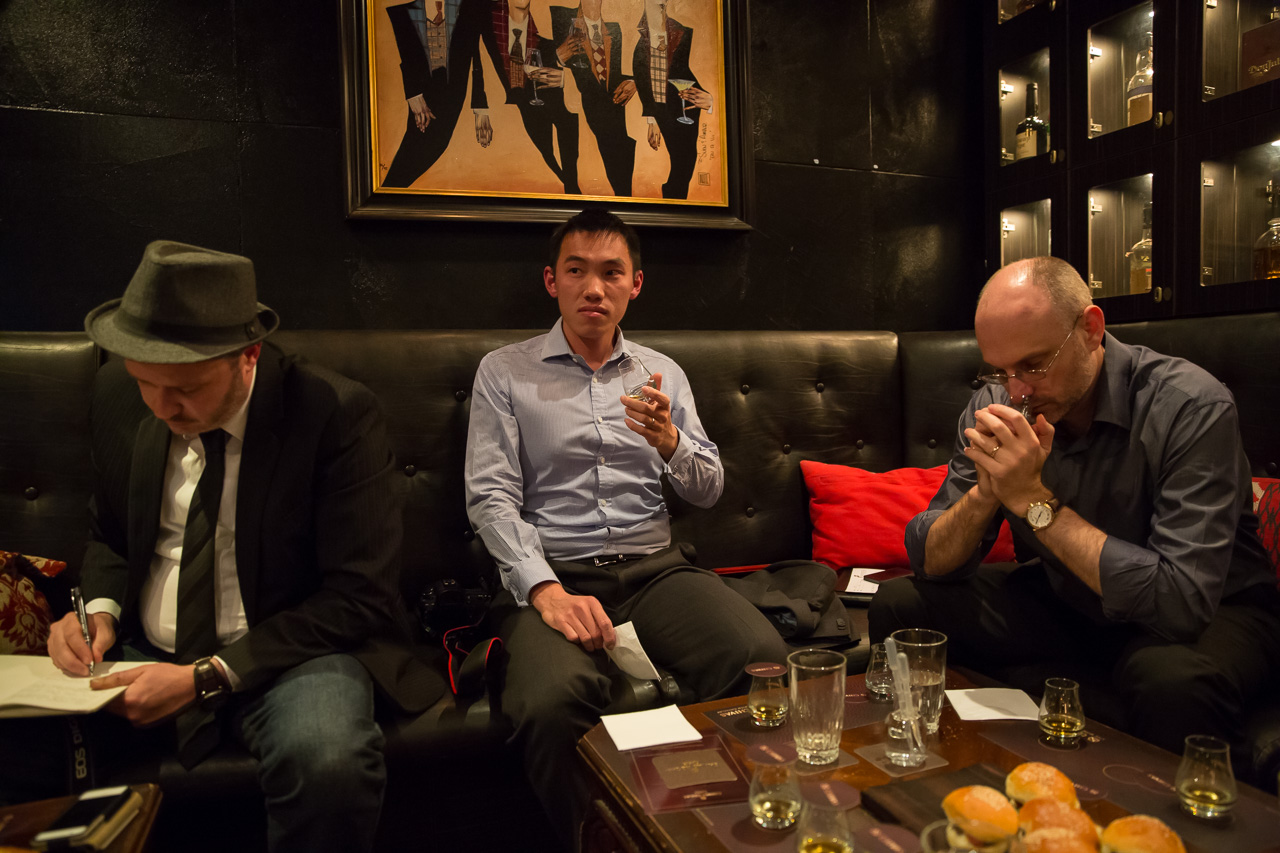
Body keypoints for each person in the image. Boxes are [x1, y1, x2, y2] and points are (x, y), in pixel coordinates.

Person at [43, 240, 442, 853]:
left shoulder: (334, 413)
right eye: (145, 381)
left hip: (290, 652)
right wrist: (97, 612)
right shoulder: (118, 394)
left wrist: (205, 676)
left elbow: (358, 596)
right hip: (143, 647)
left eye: (186, 387)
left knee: (328, 764)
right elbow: (111, 535)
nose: (161, 406)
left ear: (247, 356)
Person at [869, 256, 1280, 762]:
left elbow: (1180, 601)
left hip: (1216, 609)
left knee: (1171, 681)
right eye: (1001, 370)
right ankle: (933, 770)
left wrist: (1033, 500)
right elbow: (931, 561)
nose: (1017, 390)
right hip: (1073, 595)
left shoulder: (1190, 406)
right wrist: (986, 493)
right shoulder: (998, 403)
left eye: (1034, 365)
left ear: (1091, 330)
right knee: (902, 605)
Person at [465, 208, 788, 848]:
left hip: (655, 571)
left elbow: (708, 488)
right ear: (551, 281)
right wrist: (544, 591)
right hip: (555, 576)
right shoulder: (504, 372)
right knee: (550, 703)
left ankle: (714, 830)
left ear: (635, 284)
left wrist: (670, 441)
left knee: (761, 659)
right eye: (576, 271)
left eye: (612, 273)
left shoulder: (660, 373)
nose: (594, 288)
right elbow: (491, 497)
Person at [475, 0, 582, 194]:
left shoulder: (553, 23)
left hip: (554, 117)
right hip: (509, 123)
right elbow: (476, 64)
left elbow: (586, 76)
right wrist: (481, 108)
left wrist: (564, 77)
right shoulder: (486, 24)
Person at [382, 0, 487, 188]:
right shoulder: (401, 13)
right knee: (419, 146)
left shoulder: (469, 8)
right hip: (422, 92)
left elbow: (476, 54)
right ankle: (386, 193)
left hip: (452, 93)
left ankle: (386, 193)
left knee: (436, 144)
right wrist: (413, 94)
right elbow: (406, 55)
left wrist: (480, 106)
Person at [550, 1, 637, 196]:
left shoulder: (617, 25)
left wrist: (634, 81)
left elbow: (633, 63)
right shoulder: (560, 17)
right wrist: (557, 57)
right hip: (576, 113)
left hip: (615, 115)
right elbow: (537, 59)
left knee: (620, 172)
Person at [632, 0, 712, 199]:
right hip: (662, 109)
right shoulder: (639, 41)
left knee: (687, 158)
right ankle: (673, 197)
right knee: (681, 159)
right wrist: (652, 119)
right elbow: (642, 80)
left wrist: (710, 100)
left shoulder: (683, 32)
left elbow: (693, 71)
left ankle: (674, 198)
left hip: (687, 106)